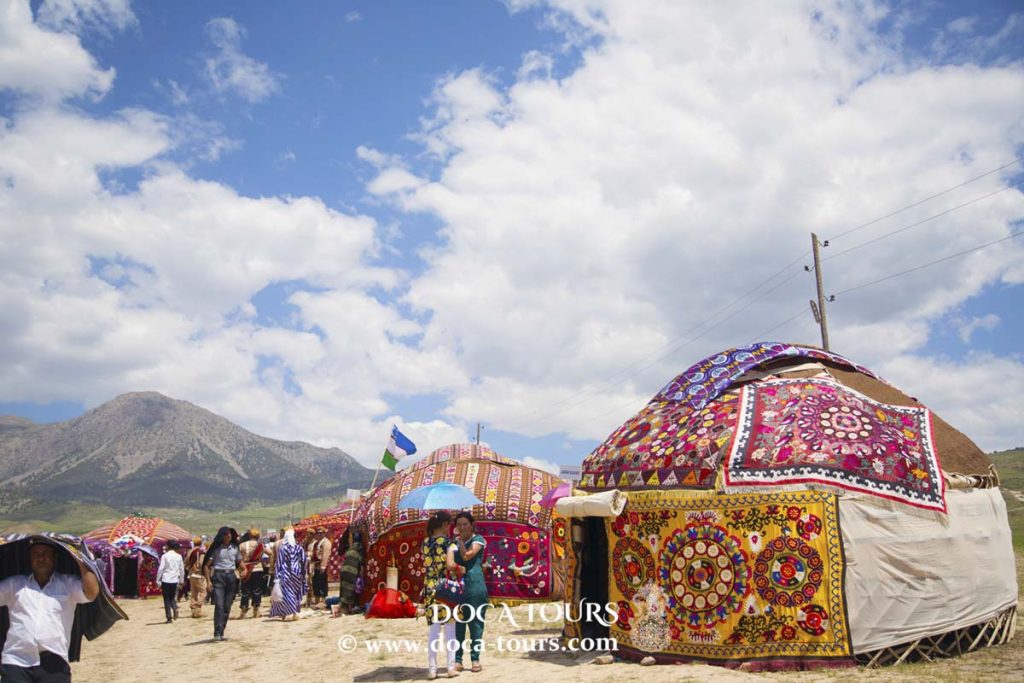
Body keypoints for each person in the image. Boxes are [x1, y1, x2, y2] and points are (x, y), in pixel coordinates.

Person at [0, 539, 100, 681]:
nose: (40, 558)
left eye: (45, 553)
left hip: (55, 661)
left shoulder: (67, 584)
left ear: (55, 557)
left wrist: (79, 558)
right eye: (35, 554)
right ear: (30, 558)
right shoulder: (14, 585)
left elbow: (91, 593)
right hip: (16, 660)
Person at [447, 512, 488, 673]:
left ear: (471, 525)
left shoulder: (478, 540)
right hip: (458, 587)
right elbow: (449, 562)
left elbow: (467, 555)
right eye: (459, 524)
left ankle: (475, 659)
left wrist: (460, 542)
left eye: (465, 524)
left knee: (476, 623)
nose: (462, 527)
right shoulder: (453, 543)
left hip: (475, 586)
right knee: (459, 624)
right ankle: (458, 660)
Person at [422, 512, 457, 680]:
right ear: (444, 525)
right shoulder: (449, 543)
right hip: (446, 587)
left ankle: (432, 669)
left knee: (434, 630)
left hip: (430, 586)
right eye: (449, 524)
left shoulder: (425, 543)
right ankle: (450, 667)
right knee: (450, 628)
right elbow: (450, 566)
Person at [202, 527, 240, 642]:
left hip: (231, 576)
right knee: (219, 604)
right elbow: (206, 565)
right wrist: (208, 581)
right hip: (219, 576)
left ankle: (221, 630)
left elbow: (239, 562)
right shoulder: (216, 548)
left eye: (230, 534)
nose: (229, 536)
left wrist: (244, 570)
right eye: (226, 534)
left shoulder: (235, 548)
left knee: (227, 605)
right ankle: (217, 632)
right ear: (222, 536)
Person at [268, 528, 306, 621]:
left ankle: (287, 612)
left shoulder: (283, 548)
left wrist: (276, 575)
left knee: (286, 594)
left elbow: (280, 562)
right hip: (297, 574)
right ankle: (294, 613)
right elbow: (303, 561)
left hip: (286, 573)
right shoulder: (299, 548)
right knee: (295, 593)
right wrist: (303, 574)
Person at [237, 527, 265, 619]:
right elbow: (267, 554)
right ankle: (256, 610)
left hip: (245, 568)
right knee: (256, 590)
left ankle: (243, 611)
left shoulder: (242, 545)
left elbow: (238, 558)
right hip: (257, 568)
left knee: (245, 590)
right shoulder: (260, 545)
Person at [155, 540, 184, 624]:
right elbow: (181, 569)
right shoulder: (179, 556)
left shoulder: (164, 556)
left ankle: (169, 618)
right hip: (174, 580)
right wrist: (181, 580)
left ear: (168, 546)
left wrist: (158, 580)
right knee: (172, 597)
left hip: (166, 579)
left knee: (166, 599)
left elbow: (161, 569)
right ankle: (175, 607)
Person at [336, 530, 364, 616]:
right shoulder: (360, 547)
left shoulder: (350, 548)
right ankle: (350, 608)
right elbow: (361, 560)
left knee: (344, 588)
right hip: (352, 571)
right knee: (351, 589)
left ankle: (344, 607)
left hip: (344, 570)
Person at [185, 537, 207, 618]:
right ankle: (198, 606)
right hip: (198, 574)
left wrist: (189, 568)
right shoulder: (200, 552)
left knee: (194, 593)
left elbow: (186, 562)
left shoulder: (190, 551)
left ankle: (194, 610)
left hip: (191, 574)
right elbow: (201, 563)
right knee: (203, 592)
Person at [310, 527, 332, 608]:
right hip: (316, 566)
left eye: (321, 533)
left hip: (322, 566)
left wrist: (323, 566)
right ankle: (317, 599)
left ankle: (323, 601)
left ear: (324, 533)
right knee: (315, 582)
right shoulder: (316, 543)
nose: (319, 534)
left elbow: (326, 555)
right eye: (318, 533)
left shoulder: (326, 542)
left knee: (322, 582)